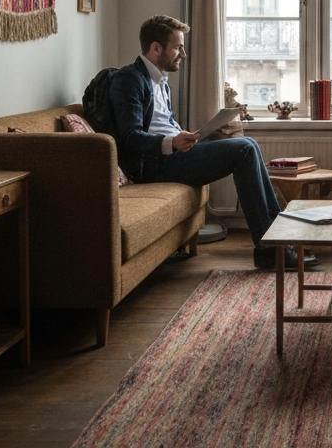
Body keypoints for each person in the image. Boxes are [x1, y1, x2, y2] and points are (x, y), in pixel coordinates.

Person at [109, 15, 318, 271]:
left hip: (170, 155)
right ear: (155, 48)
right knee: (244, 148)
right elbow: (130, 136)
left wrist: (184, 135)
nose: (183, 54)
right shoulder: (129, 79)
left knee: (247, 145)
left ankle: (277, 242)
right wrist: (172, 144)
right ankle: (271, 247)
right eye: (177, 47)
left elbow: (161, 124)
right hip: (152, 166)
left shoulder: (160, 80)